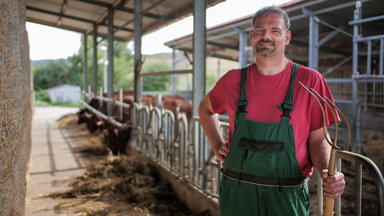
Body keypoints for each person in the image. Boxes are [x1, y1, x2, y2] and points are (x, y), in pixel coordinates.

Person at [198, 5, 345, 216]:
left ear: (287, 37)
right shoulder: (232, 80)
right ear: (251, 37)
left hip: (286, 195)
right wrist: (216, 144)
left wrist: (327, 172)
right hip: (237, 194)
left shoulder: (310, 81)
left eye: (275, 31)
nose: (266, 36)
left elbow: (319, 139)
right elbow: (205, 109)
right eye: (259, 31)